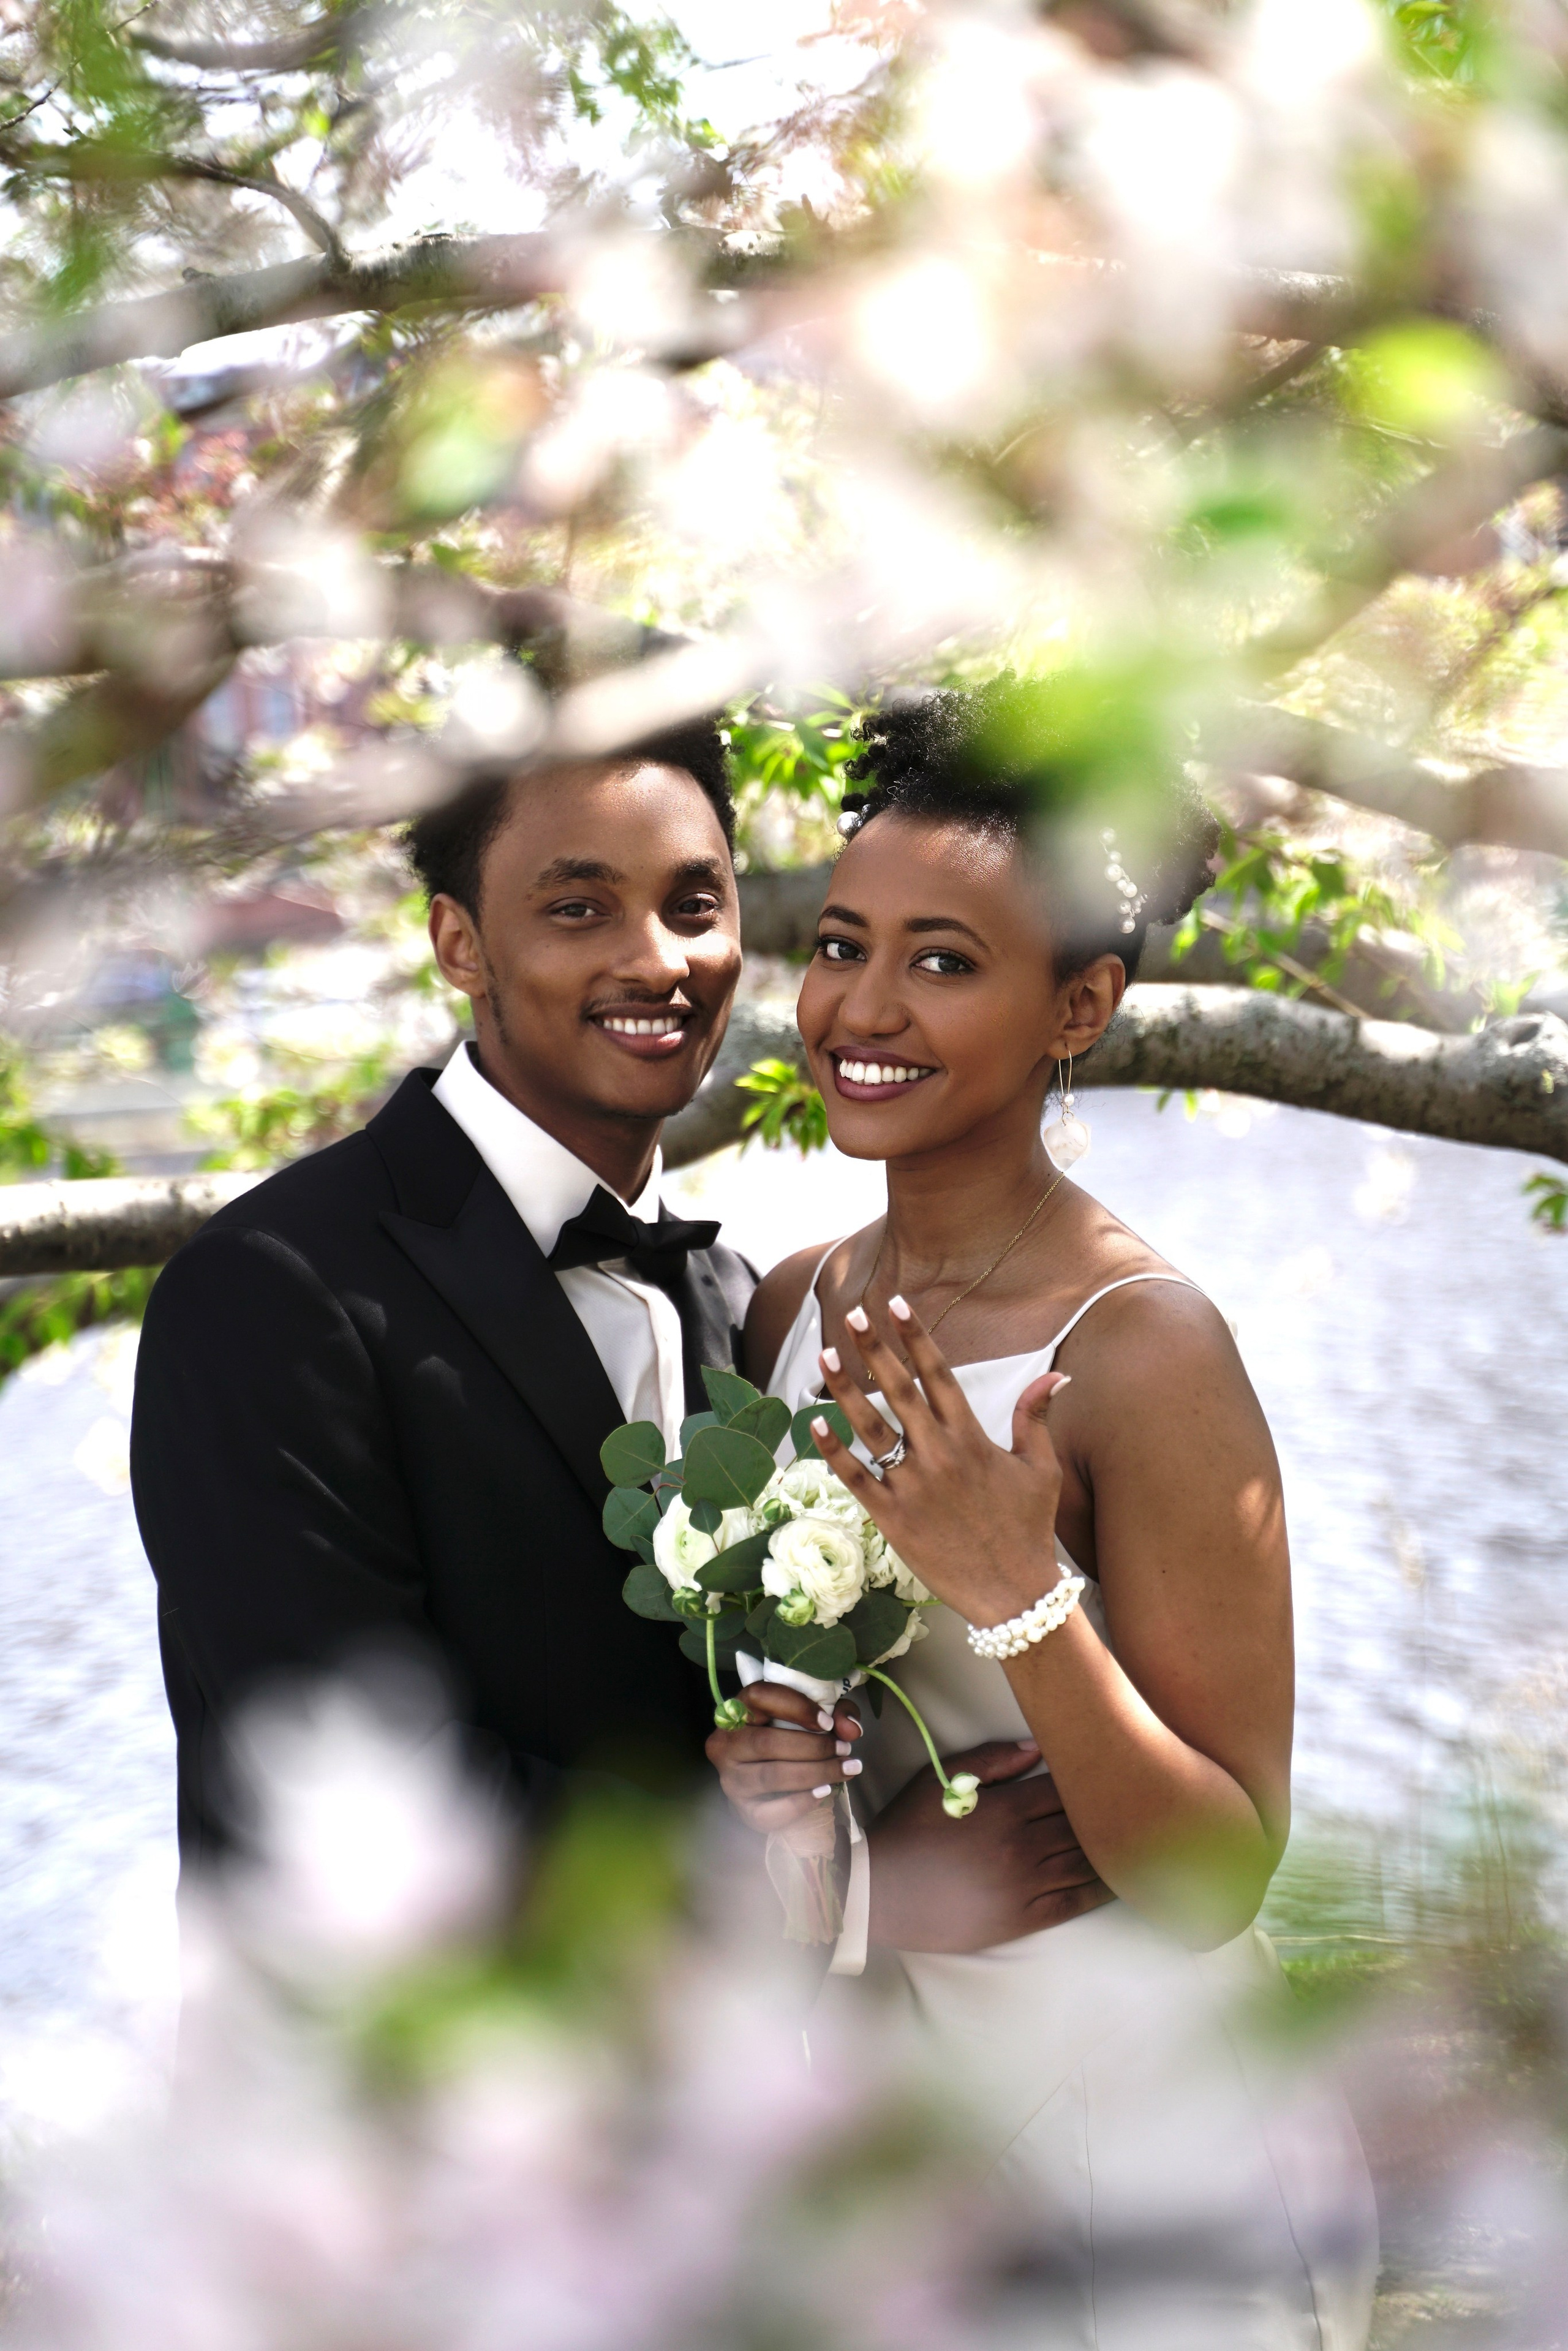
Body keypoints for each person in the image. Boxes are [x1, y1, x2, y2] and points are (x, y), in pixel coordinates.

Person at [130, 701, 1109, 1969]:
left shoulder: (747, 1305)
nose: (657, 961)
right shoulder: (270, 1291)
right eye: (579, 908)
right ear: (459, 942)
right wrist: (850, 1898)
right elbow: (348, 1796)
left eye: (695, 906)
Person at [708, 677, 1379, 2347]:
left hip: (1135, 2117)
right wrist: (783, 1773)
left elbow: (1219, 1873)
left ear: (1078, 1002)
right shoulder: (789, 1304)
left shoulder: (1143, 1349)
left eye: (944, 961)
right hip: (892, 2091)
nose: (863, 1005)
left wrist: (1018, 1587)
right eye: (843, 942)